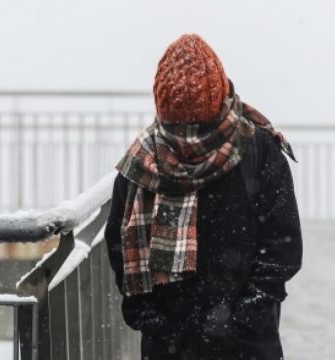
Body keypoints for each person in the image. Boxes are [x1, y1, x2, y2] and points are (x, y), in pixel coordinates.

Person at [104, 33, 302, 360]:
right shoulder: (143, 160)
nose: (187, 137)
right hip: (171, 343)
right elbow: (119, 244)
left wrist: (246, 315)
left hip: (245, 344)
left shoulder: (258, 149)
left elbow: (283, 243)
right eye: (178, 126)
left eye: (198, 125)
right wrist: (147, 314)